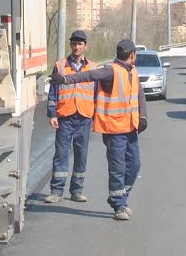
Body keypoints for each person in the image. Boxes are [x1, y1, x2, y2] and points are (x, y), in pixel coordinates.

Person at [50, 37, 148, 221]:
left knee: (135, 166)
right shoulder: (111, 71)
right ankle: (119, 205)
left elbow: (139, 94)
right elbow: (87, 76)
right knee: (118, 168)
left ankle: (120, 198)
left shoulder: (132, 71)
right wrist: (64, 79)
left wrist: (143, 116)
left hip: (131, 129)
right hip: (114, 130)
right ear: (132, 55)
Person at [45, 30, 96, 204]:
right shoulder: (60, 66)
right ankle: (56, 191)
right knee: (61, 154)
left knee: (81, 154)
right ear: (70, 45)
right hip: (65, 116)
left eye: (80, 44)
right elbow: (53, 92)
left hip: (84, 117)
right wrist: (52, 114)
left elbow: (97, 93)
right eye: (74, 43)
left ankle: (77, 190)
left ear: (85, 46)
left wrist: (96, 115)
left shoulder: (92, 67)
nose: (77, 47)